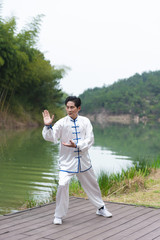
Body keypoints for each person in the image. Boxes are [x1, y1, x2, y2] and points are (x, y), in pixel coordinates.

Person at [42, 96, 112, 225]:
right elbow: (51, 137)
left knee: (93, 184)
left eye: (72, 107)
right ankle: (58, 215)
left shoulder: (85, 121)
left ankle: (101, 208)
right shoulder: (62, 123)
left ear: (78, 108)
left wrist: (77, 145)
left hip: (84, 161)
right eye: (67, 107)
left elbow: (90, 139)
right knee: (62, 185)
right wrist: (48, 126)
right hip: (67, 162)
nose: (69, 110)